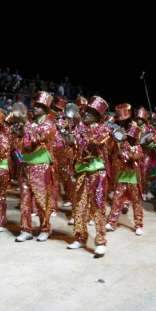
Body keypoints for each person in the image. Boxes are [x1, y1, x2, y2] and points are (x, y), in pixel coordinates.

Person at [67, 96, 111, 256]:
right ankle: (80, 238)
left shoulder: (103, 129)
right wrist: (70, 142)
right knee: (79, 206)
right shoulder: (77, 128)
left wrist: (77, 140)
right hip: (81, 172)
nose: (86, 114)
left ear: (98, 117)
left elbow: (93, 144)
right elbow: (74, 151)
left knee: (97, 207)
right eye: (86, 111)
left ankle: (100, 241)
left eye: (91, 113)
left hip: (96, 173)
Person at [15, 91, 57, 243]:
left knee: (41, 200)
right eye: (35, 105)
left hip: (41, 166)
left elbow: (34, 140)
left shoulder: (49, 125)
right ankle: (25, 229)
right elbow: (21, 143)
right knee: (25, 200)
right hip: (26, 165)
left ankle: (45, 229)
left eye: (39, 106)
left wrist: (24, 127)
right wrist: (18, 132)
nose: (35, 108)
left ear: (46, 109)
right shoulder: (31, 124)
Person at [107, 125, 144, 235]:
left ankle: (139, 225)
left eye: (133, 137)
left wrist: (133, 156)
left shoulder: (138, 147)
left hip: (133, 180)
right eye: (129, 137)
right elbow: (117, 155)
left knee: (137, 203)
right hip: (122, 178)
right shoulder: (121, 145)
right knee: (116, 201)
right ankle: (111, 222)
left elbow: (139, 156)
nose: (131, 139)